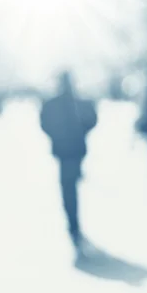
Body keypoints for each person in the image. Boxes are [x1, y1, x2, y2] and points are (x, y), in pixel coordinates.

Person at [40, 72, 97, 255]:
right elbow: (92, 119)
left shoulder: (53, 104)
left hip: (66, 152)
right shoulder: (78, 102)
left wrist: (57, 137)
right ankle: (73, 222)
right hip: (74, 150)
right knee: (70, 186)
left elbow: (44, 123)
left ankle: (72, 221)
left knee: (68, 187)